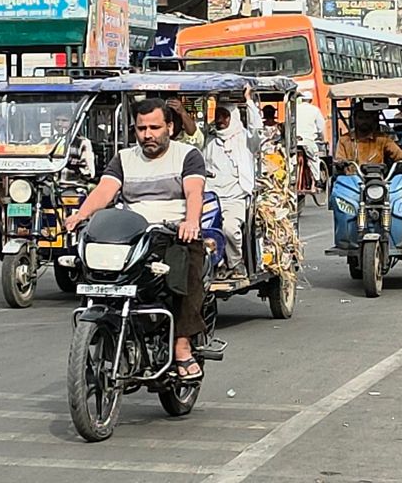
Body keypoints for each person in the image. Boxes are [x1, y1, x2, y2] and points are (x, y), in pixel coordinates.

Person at [65, 98, 207, 379]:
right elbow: (105, 191)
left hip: (173, 234)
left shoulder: (187, 155)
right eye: (142, 128)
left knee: (186, 267)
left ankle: (181, 345)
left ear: (169, 126)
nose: (148, 134)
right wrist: (80, 215)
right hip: (134, 236)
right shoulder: (124, 158)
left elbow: (194, 192)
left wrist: (191, 222)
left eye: (155, 127)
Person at [203, 86, 260, 278]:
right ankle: (215, 265)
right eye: (218, 115)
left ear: (233, 117)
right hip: (211, 199)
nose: (220, 120)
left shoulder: (245, 139)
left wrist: (249, 101)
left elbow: (256, 129)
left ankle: (236, 264)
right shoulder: (210, 141)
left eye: (224, 116)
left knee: (229, 229)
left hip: (235, 198)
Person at [335, 105, 402, 174]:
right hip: (351, 180)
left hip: (377, 180)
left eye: (367, 118)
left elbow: (397, 153)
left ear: (372, 119)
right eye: (361, 118)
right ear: (355, 119)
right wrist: (340, 162)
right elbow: (339, 158)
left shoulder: (382, 138)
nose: (364, 121)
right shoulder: (345, 140)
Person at [49, 112, 96, 180]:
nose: (59, 124)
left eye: (64, 121)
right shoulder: (50, 140)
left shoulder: (82, 142)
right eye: (57, 120)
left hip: (72, 184)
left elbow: (88, 170)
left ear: (72, 122)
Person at [295, 89, 326, 183]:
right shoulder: (315, 110)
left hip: (295, 140)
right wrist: (321, 137)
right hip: (308, 140)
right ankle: (317, 180)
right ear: (311, 100)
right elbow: (321, 127)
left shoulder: (295, 108)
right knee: (313, 158)